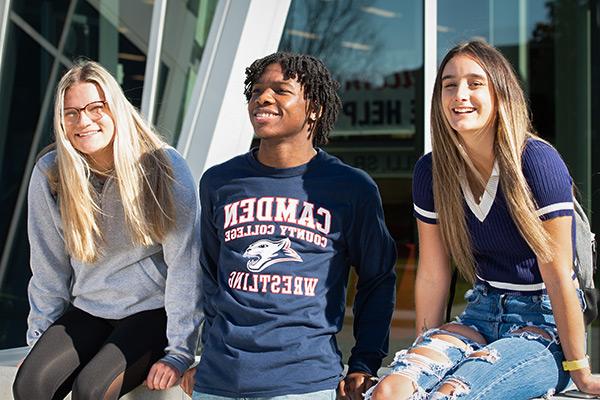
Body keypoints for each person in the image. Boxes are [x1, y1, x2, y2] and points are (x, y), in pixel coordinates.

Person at [367, 40, 600, 400]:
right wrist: (422, 350)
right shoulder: (432, 171)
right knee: (389, 391)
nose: (460, 94)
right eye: (449, 84)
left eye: (475, 83)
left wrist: (581, 373)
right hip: (480, 312)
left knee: (452, 394)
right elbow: (433, 272)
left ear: (501, 93)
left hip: (541, 323)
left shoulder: (535, 161)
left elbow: (559, 274)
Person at [183, 52, 397, 400]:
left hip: (304, 385)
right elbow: (210, 275)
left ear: (314, 108)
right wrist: (206, 353)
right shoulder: (219, 182)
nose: (262, 98)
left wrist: (364, 363)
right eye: (256, 90)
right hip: (218, 382)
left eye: (281, 90)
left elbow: (377, 280)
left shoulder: (351, 188)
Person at [12, 60, 202, 400]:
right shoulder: (52, 173)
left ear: (116, 109)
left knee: (91, 390)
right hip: (89, 309)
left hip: (150, 313)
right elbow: (47, 267)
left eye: (95, 108)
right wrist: (39, 340)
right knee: (30, 384)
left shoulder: (164, 167)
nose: (83, 121)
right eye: (70, 113)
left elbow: (185, 267)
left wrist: (180, 351)